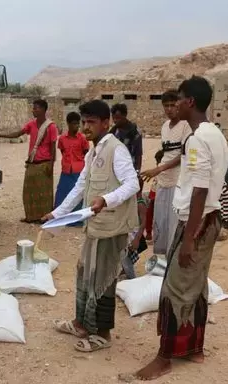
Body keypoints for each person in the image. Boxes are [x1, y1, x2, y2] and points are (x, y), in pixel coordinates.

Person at [136, 76, 228, 380]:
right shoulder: (215, 133)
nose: (174, 103)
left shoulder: (199, 138)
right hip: (207, 218)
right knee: (196, 284)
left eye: (178, 98)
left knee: (174, 287)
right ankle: (193, 348)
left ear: (190, 102)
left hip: (198, 221)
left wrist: (188, 238)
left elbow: (200, 190)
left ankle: (165, 358)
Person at [42, 100, 139, 353]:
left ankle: (103, 334)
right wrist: (57, 212)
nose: (86, 127)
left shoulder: (116, 150)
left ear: (106, 123)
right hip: (95, 226)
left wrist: (106, 199)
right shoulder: (92, 152)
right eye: (84, 122)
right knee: (85, 272)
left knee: (103, 278)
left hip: (112, 226)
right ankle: (81, 323)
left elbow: (133, 184)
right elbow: (80, 188)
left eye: (91, 122)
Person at [141, 90, 192, 256]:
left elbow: (182, 155)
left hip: (177, 180)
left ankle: (173, 259)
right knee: (160, 221)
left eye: (173, 105)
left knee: (173, 223)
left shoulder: (185, 126)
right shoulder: (164, 127)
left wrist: (158, 169)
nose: (170, 109)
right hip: (162, 181)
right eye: (166, 106)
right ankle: (160, 260)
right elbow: (166, 152)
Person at [0, 99, 59, 223]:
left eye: (36, 108)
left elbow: (53, 148)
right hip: (32, 163)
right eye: (33, 108)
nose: (33, 110)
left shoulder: (51, 127)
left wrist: (51, 165)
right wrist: (1, 135)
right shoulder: (31, 124)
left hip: (44, 163)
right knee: (29, 191)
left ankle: (44, 217)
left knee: (44, 193)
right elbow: (18, 133)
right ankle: (31, 216)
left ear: (43, 110)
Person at [55, 112, 89, 227]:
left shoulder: (82, 139)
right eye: (73, 124)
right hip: (66, 169)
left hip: (78, 170)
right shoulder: (62, 139)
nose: (76, 127)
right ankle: (59, 218)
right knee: (62, 192)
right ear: (68, 124)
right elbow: (63, 151)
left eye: (77, 124)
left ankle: (77, 220)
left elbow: (86, 153)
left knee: (77, 195)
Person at [121, 176, 149, 280]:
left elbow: (143, 223)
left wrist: (137, 239)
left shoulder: (140, 203)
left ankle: (132, 278)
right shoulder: (131, 201)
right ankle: (123, 272)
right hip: (128, 232)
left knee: (126, 257)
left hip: (133, 236)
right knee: (123, 255)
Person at [110, 103, 143, 171]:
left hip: (129, 169)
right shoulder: (114, 131)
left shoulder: (134, 132)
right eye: (113, 118)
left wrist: (137, 171)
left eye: (118, 118)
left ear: (124, 115)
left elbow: (138, 154)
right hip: (116, 168)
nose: (115, 121)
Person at [145, 150, 163, 242]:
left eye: (158, 161)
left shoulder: (160, 169)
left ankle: (149, 233)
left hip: (156, 193)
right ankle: (149, 232)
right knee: (151, 212)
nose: (157, 164)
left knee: (151, 212)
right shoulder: (159, 170)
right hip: (155, 192)